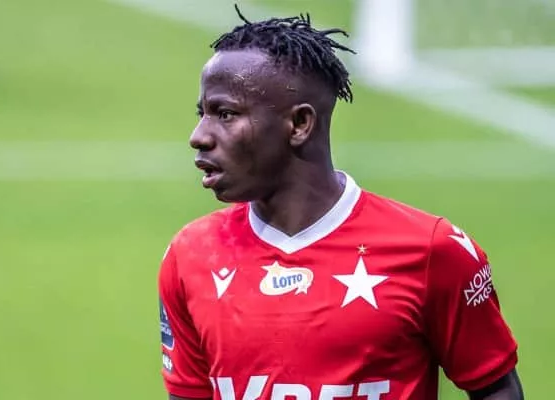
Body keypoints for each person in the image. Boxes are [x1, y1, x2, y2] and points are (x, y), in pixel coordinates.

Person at [158, 5, 523, 400]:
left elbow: (496, 390)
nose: (199, 135)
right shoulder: (191, 256)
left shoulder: (432, 251)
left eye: (225, 114)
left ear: (300, 124)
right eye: (203, 113)